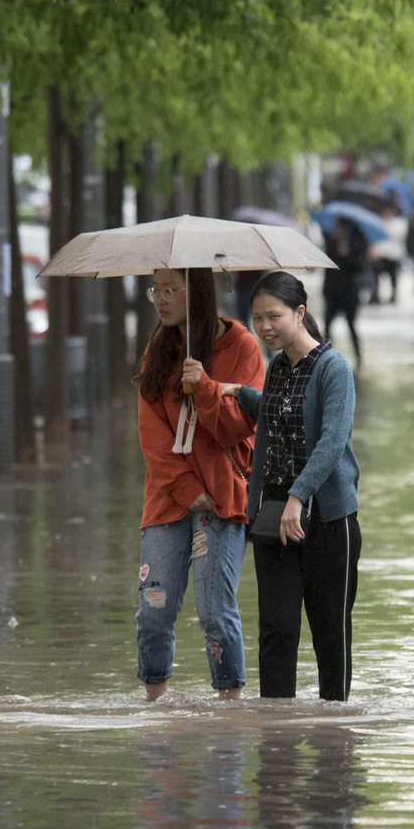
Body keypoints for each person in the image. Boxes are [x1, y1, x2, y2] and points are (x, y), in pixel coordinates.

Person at [218, 272, 361, 702]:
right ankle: (276, 748)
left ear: (299, 313)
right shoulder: (278, 368)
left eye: (273, 316)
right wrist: (240, 392)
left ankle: (334, 745)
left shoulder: (334, 370)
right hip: (274, 517)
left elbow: (331, 441)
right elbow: (281, 415)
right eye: (257, 317)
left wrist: (299, 496)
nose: (264, 327)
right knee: (276, 634)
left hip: (328, 520)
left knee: (329, 635)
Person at [135, 267, 265, 701]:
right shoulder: (158, 349)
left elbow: (243, 427)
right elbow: (152, 438)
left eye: (172, 290)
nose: (161, 299)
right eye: (157, 290)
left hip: (223, 501)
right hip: (168, 499)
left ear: (199, 293)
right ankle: (156, 707)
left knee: (214, 612)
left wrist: (206, 389)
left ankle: (229, 708)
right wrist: (188, 490)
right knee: (153, 610)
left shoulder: (242, 346)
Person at [321, 217, 366, 366]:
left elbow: (359, 267)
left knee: (351, 325)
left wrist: (347, 253)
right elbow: (326, 268)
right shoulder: (330, 243)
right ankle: (327, 358)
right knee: (327, 326)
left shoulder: (355, 243)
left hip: (349, 293)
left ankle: (359, 357)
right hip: (332, 292)